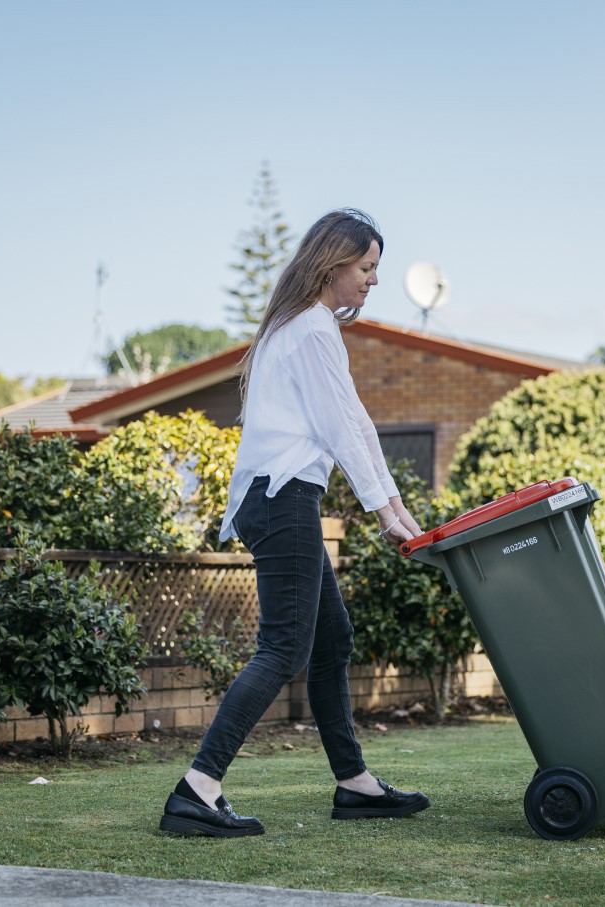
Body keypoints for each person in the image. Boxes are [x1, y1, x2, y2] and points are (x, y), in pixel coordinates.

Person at [158, 208, 430, 838]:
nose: (372, 280)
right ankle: (198, 788)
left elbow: (355, 420)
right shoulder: (309, 329)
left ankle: (355, 784)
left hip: (279, 497)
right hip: (283, 498)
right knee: (284, 647)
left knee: (331, 641)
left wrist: (395, 509)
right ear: (333, 263)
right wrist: (384, 514)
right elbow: (342, 430)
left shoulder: (304, 328)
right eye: (366, 268)